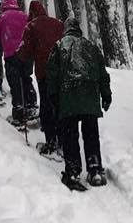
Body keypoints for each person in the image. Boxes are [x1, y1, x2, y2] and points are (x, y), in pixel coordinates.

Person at [47, 17, 112, 191]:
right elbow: (102, 73)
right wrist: (106, 95)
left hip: (68, 98)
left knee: (70, 136)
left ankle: (74, 172)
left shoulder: (59, 46)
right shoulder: (91, 46)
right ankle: (95, 169)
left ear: (66, 30)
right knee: (91, 134)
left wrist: (53, 97)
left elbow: (51, 74)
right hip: (90, 97)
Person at [17, 0, 64, 157]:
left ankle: (51, 142)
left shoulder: (31, 26)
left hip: (44, 71)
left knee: (46, 105)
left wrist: (20, 57)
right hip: (61, 71)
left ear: (32, 13)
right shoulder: (58, 23)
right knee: (59, 105)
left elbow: (25, 51)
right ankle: (63, 141)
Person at [0, 0, 36, 124]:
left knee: (15, 82)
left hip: (11, 54)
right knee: (26, 79)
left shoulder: (1, 18)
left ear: (3, 5)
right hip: (26, 53)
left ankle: (19, 112)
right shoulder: (24, 16)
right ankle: (31, 106)